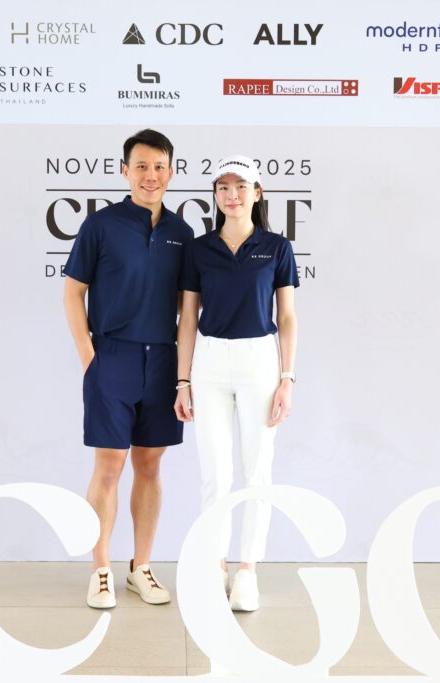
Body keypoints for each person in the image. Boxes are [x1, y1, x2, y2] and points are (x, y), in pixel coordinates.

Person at [63, 129, 195, 609]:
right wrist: (90, 358)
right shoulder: (100, 225)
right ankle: (100, 568)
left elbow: (187, 309)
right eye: (141, 166)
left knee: (150, 464)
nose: (150, 175)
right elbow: (73, 293)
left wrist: (183, 374)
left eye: (159, 166)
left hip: (162, 361)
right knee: (109, 465)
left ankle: (141, 567)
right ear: (125, 171)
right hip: (111, 358)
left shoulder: (183, 234)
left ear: (171, 172)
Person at [174, 155, 299, 611]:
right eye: (223, 187)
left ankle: (247, 570)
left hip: (259, 361)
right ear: (216, 195)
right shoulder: (199, 249)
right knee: (216, 474)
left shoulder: (276, 247)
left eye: (241, 186)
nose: (232, 195)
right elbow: (188, 318)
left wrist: (287, 378)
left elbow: (287, 317)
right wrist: (182, 381)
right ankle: (216, 564)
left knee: (257, 470)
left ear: (257, 192)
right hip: (209, 362)